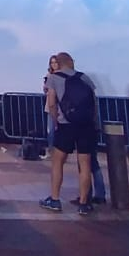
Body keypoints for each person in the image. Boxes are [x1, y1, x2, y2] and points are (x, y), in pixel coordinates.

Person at [41, 52, 97, 215]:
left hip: (66, 125)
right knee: (85, 164)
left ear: (58, 63)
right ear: (71, 62)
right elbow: (94, 103)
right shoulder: (84, 77)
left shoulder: (54, 78)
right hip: (86, 125)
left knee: (58, 162)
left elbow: (51, 103)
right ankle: (84, 203)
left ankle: (55, 199)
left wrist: (55, 120)